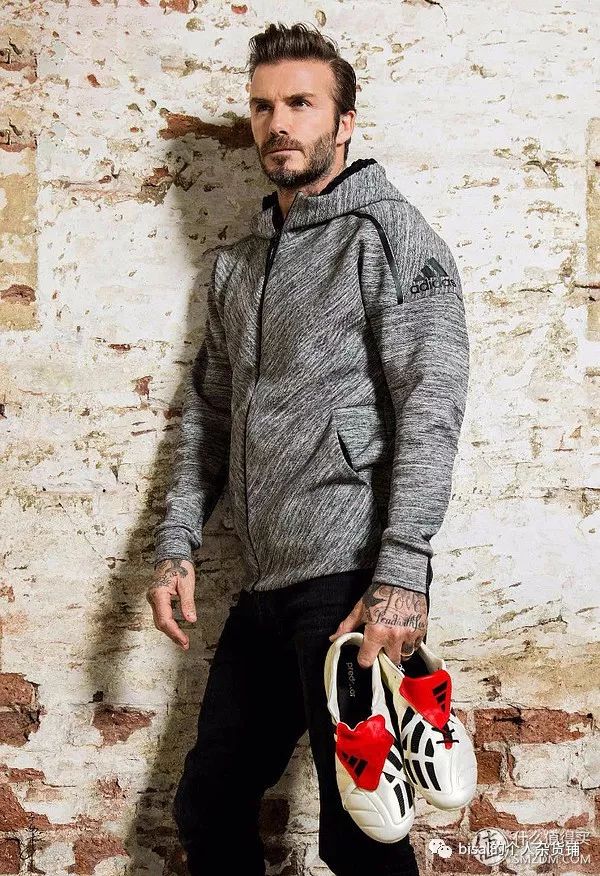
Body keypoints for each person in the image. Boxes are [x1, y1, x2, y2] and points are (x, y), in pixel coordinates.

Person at [146, 21, 470, 876]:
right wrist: (177, 543)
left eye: (301, 103)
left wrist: (403, 573)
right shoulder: (237, 266)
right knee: (209, 803)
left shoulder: (392, 239)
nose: (278, 124)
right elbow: (207, 415)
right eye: (262, 107)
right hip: (264, 583)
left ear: (345, 120)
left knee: (360, 833)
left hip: (349, 582)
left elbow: (432, 405)